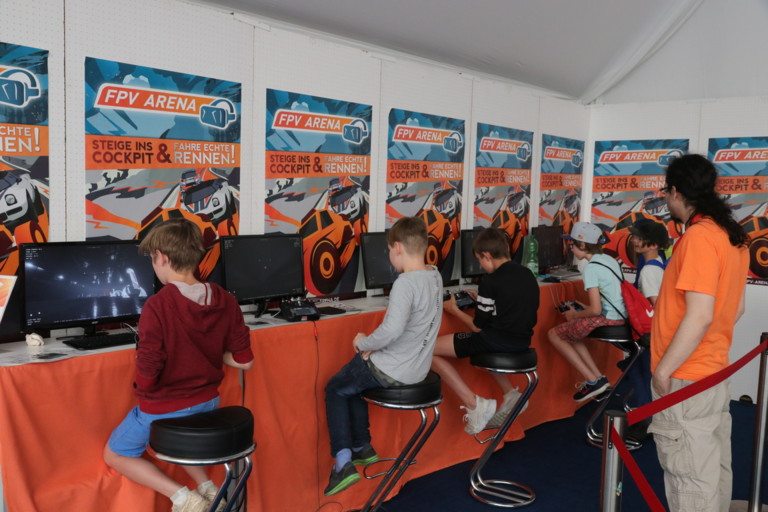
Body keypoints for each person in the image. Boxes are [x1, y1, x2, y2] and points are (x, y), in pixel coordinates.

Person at [103, 219, 254, 512]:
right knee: (183, 428)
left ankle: (183, 498)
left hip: (165, 405)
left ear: (161, 257)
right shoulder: (226, 299)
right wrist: (208, 352)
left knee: (115, 454)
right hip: (208, 402)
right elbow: (244, 360)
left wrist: (144, 391)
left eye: (152, 259)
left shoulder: (157, 305)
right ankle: (209, 489)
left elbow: (148, 370)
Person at [649, 154, 748, 512]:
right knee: (712, 467)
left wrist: (664, 370)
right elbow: (735, 309)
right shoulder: (732, 236)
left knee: (690, 474)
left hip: (686, 376)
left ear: (676, 192)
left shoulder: (699, 238)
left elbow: (701, 314)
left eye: (667, 192)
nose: (666, 198)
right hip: (713, 370)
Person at [323, 216, 442, 496]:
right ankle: (361, 446)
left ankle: (343, 464)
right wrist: (374, 346)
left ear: (398, 247)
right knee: (352, 383)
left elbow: (392, 330)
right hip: (418, 369)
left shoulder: (405, 283)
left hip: (392, 370)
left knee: (335, 388)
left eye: (389, 250)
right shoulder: (434, 276)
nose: (389, 255)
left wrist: (364, 342)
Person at [431, 227, 539, 434]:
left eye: (480, 260)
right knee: (485, 341)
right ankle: (510, 394)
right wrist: (481, 300)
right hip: (522, 341)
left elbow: (477, 326)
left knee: (427, 350)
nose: (480, 265)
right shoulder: (527, 274)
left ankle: (474, 404)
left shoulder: (490, 281)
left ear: (487, 256)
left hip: (496, 340)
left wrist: (454, 310)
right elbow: (510, 307)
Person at [548, 222, 627, 402]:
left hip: (609, 319)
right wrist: (582, 308)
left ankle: (592, 380)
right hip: (620, 315)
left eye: (572, 244)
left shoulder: (591, 268)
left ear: (582, 245)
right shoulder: (608, 259)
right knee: (570, 333)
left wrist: (574, 315)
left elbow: (596, 310)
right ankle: (598, 379)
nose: (570, 248)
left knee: (554, 334)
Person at [622, 219, 671, 439]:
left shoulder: (649, 271)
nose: (634, 240)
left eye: (639, 237)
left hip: (650, 334)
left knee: (640, 373)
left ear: (653, 244)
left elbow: (657, 306)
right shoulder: (659, 263)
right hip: (657, 334)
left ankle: (645, 421)